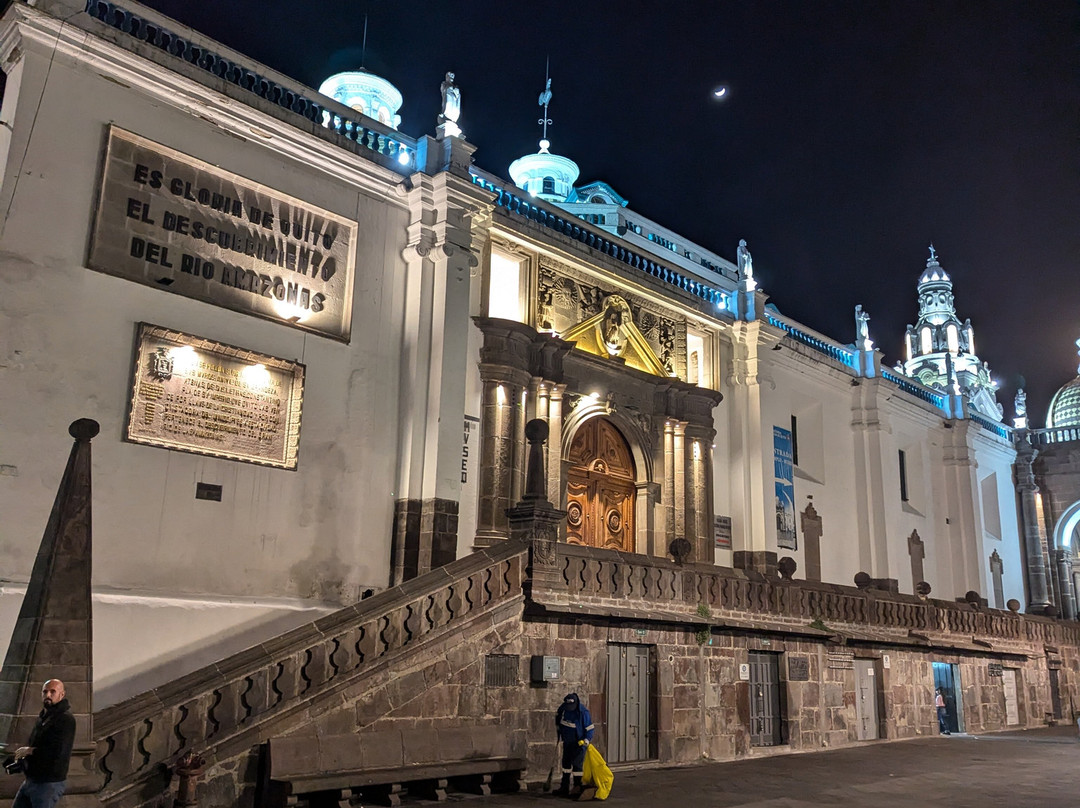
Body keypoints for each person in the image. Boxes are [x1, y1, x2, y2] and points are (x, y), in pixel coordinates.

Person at [11, 679, 76, 808]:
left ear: (61, 694)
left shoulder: (65, 719)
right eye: (45, 692)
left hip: (48, 783)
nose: (48, 695)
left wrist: (31, 751)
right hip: (32, 780)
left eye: (53, 692)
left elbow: (58, 751)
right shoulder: (44, 717)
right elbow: (35, 743)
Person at [554, 692, 594, 798]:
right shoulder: (563, 709)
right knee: (566, 765)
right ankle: (564, 787)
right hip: (567, 742)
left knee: (577, 766)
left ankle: (577, 787)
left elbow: (589, 728)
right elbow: (558, 720)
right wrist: (559, 733)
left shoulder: (583, 713)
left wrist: (586, 740)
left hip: (579, 743)